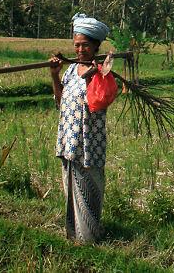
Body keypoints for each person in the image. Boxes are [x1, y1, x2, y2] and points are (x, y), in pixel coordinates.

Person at [49, 13, 111, 243]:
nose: (80, 49)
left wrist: (90, 78)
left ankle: (90, 236)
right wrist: (54, 75)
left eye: (85, 45)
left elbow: (99, 102)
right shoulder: (70, 70)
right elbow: (60, 98)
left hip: (89, 141)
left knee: (89, 187)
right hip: (69, 137)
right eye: (77, 45)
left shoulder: (102, 72)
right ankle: (73, 232)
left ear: (96, 46)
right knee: (70, 187)